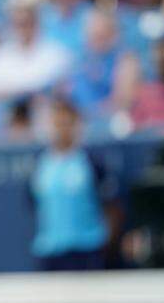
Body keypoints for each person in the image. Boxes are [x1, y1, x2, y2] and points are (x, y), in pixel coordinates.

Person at [30, 98, 113, 270]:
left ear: (76, 126)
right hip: (50, 252)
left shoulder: (91, 163)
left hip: (88, 251)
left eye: (67, 123)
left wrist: (106, 246)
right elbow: (34, 204)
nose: (61, 130)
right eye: (57, 124)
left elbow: (112, 206)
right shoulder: (39, 164)